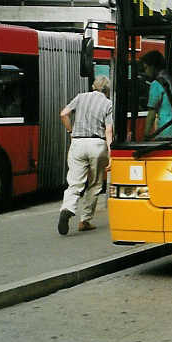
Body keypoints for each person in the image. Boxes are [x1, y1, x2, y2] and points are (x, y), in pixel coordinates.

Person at [57, 76, 113, 235]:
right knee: (95, 184)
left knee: (74, 182)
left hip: (78, 143)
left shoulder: (80, 97)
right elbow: (109, 130)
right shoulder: (107, 103)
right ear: (107, 90)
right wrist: (111, 153)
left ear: (94, 86)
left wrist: (70, 132)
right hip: (97, 144)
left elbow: (64, 114)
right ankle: (85, 220)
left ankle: (67, 208)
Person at [142, 51, 172, 138]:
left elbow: (152, 112)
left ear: (153, 67)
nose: (145, 72)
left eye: (146, 68)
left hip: (166, 131)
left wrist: (146, 135)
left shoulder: (156, 84)